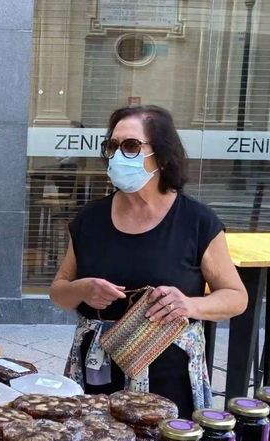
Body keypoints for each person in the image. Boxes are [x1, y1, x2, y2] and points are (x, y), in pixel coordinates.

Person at [49, 105, 247, 418]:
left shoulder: (196, 222)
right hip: (97, 376)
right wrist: (82, 289)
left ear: (162, 155)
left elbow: (236, 297)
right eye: (111, 146)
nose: (117, 155)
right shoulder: (90, 220)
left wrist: (189, 305)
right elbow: (58, 290)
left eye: (130, 146)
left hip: (169, 378)